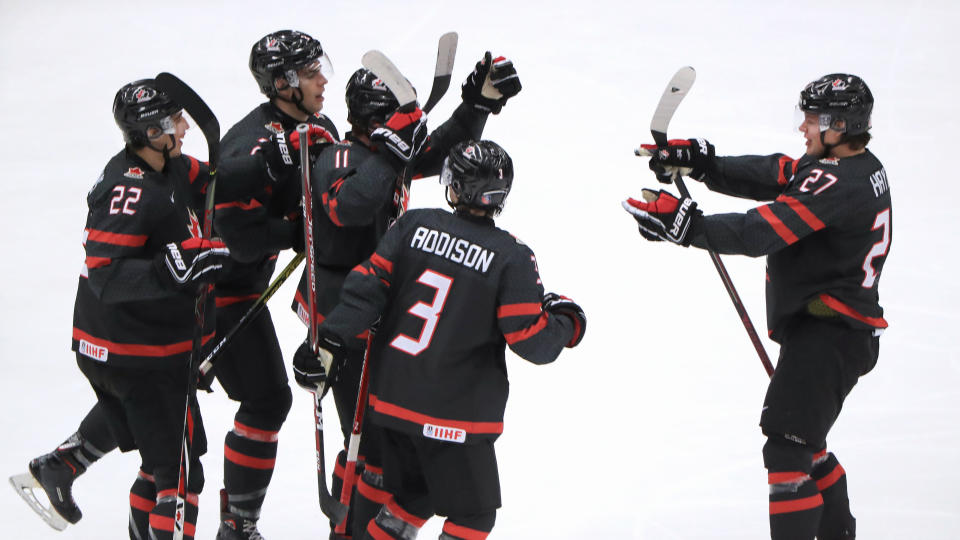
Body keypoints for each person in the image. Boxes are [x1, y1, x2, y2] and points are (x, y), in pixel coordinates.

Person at [623, 73, 888, 540]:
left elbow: (761, 231)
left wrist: (688, 226)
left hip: (831, 336)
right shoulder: (851, 166)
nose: (802, 129)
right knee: (807, 443)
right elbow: (778, 174)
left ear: (840, 124)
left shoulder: (839, 184)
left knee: (788, 447)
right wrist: (706, 165)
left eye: (812, 120)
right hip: (829, 330)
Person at [294, 140, 586, 539]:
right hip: (454, 417)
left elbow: (366, 287)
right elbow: (531, 340)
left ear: (454, 185)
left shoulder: (413, 225)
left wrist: (329, 339)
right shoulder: (511, 255)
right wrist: (568, 322)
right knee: (473, 516)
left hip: (392, 402)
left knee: (417, 494)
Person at [288, 55, 522, 539]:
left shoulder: (380, 153)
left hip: (380, 313)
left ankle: (356, 527)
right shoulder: (337, 157)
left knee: (382, 448)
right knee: (371, 448)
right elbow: (352, 207)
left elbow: (437, 153)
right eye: (397, 118)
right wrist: (393, 152)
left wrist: (476, 105)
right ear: (377, 119)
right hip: (343, 319)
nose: (406, 128)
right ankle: (351, 530)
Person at [76, 79, 227, 539]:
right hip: (136, 354)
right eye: (174, 121)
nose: (184, 127)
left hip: (142, 346)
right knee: (179, 478)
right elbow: (105, 274)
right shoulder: (129, 189)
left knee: (165, 464)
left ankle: (63, 463)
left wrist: (272, 163)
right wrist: (173, 267)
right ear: (152, 130)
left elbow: (216, 178)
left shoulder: (169, 167)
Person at [209, 29, 340, 540]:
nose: (323, 79)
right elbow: (235, 237)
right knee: (155, 405)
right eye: (311, 74)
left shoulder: (313, 126)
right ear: (284, 84)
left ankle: (237, 527)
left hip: (239, 288)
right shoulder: (250, 144)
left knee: (264, 400)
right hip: (206, 295)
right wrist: (298, 232)